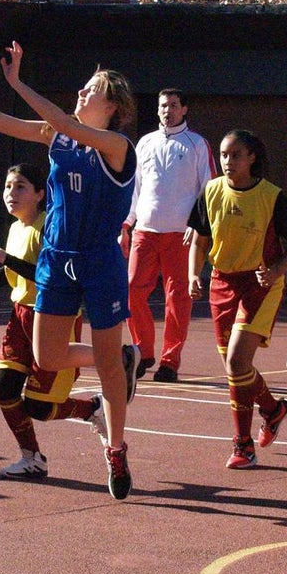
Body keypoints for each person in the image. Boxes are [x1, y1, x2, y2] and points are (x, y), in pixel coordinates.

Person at [0, 40, 140, 500]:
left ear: (113, 105)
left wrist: (18, 82)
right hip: (57, 259)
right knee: (47, 358)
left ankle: (117, 449)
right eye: (83, 88)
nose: (82, 94)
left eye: (92, 91)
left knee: (105, 366)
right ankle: (122, 360)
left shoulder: (116, 146)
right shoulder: (57, 136)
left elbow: (66, 121)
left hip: (100, 261)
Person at [0, 163, 101, 479]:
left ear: (39, 193)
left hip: (52, 317)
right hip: (20, 315)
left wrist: (9, 261)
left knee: (39, 407)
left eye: (20, 186)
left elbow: (47, 277)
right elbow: (13, 271)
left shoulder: (50, 227)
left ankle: (92, 408)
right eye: (7, 186)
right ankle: (32, 457)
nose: (11, 193)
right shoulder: (15, 228)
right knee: (5, 388)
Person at [187, 129, 287, 470]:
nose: (228, 161)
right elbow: (199, 239)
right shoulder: (210, 191)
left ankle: (243, 445)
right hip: (221, 282)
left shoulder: (271, 195)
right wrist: (194, 274)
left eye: (235, 155)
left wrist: (277, 270)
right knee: (235, 368)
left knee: (237, 362)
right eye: (224, 155)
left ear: (252, 158)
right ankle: (272, 409)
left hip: (259, 284)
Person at [121, 88, 215, 383]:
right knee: (131, 290)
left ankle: (169, 362)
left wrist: (198, 225)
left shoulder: (197, 144)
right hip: (145, 231)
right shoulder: (145, 143)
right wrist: (126, 224)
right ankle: (143, 351)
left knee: (178, 298)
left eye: (174, 105)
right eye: (163, 105)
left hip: (181, 235)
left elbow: (209, 189)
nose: (167, 110)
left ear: (184, 109)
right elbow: (133, 187)